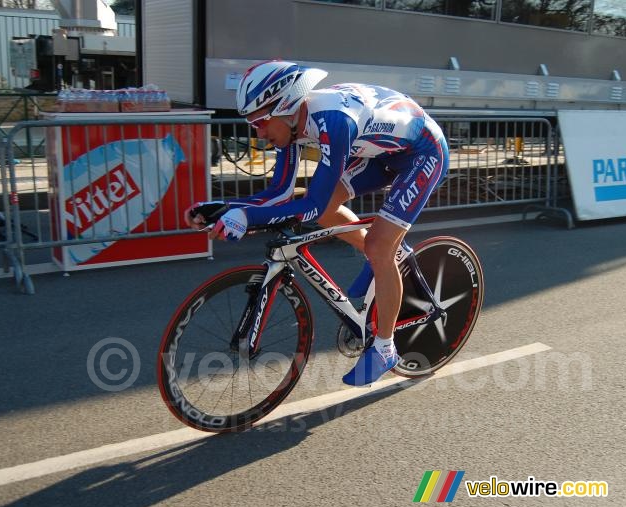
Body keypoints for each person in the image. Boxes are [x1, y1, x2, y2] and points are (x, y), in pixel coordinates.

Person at [185, 60, 449, 386]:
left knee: (375, 244)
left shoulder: (333, 122)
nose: (260, 133)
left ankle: (385, 347)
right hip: (380, 154)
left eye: (261, 122)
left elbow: (310, 206)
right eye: (253, 125)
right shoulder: (293, 124)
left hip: (423, 153)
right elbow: (279, 194)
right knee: (333, 216)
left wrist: (246, 217)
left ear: (285, 107)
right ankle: (391, 255)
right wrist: (225, 208)